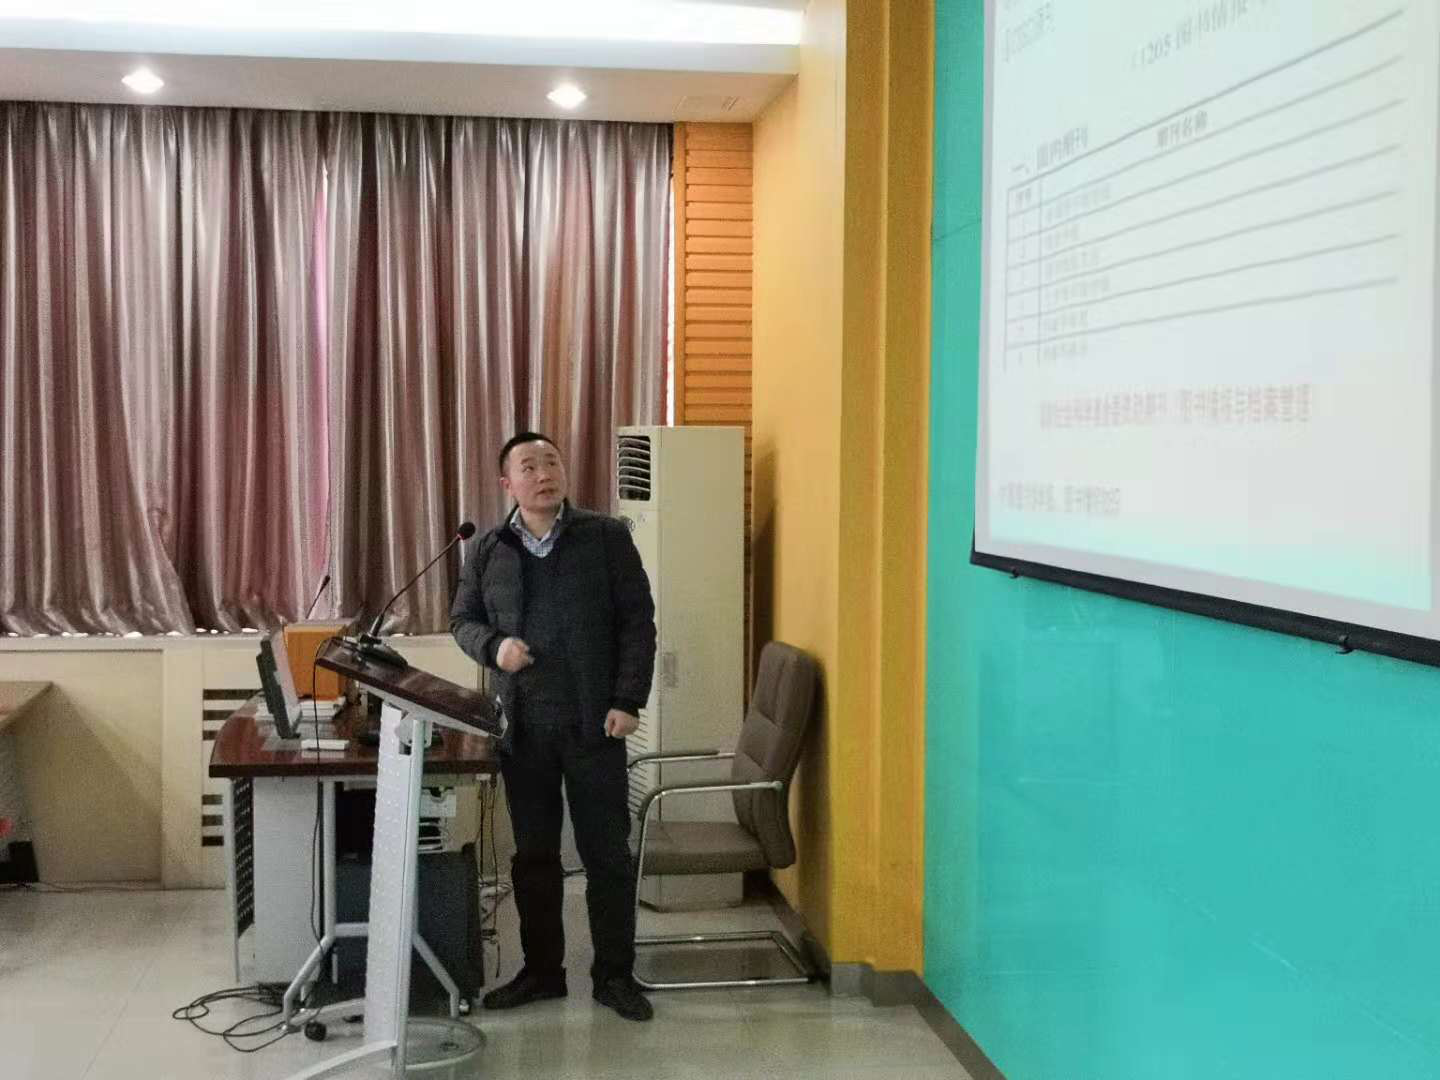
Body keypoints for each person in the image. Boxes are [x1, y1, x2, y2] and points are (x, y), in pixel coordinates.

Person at [450, 432, 657, 1022]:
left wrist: (629, 699)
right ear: (507, 484)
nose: (544, 474)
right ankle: (543, 972)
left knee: (607, 856)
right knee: (535, 857)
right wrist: (494, 647)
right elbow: (463, 620)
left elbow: (637, 622)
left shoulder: (606, 537)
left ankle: (614, 975)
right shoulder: (488, 548)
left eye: (551, 462)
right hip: (524, 729)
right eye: (529, 466)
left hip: (596, 724)